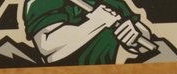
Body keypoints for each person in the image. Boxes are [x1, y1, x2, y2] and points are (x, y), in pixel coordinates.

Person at [23, 0, 152, 65]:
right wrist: (96, 22)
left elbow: (147, 42)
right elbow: (48, 49)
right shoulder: (41, 2)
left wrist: (133, 37)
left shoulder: (112, 2)